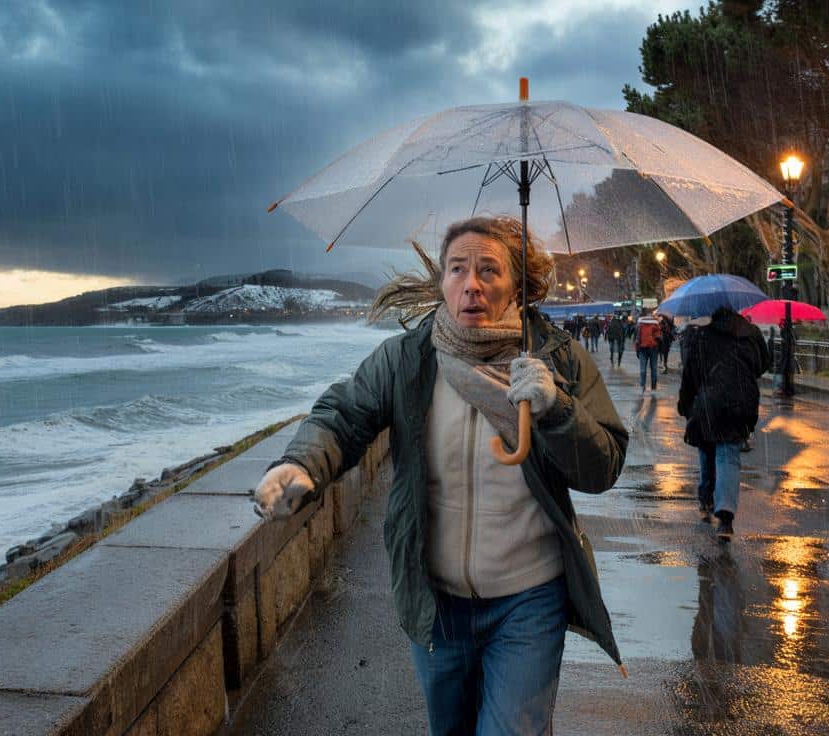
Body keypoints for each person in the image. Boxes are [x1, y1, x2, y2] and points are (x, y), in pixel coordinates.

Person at [252, 215, 629, 735]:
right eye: (457, 269)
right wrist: (300, 463)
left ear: (517, 286)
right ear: (442, 282)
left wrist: (556, 408)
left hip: (530, 599)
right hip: (436, 601)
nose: (471, 284)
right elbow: (344, 415)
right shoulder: (408, 359)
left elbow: (603, 466)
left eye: (489, 270)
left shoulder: (557, 359)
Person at [677, 305, 772, 539]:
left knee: (707, 448)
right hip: (740, 402)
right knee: (728, 456)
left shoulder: (702, 336)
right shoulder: (750, 334)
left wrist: (685, 404)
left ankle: (706, 497)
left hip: (709, 403)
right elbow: (763, 365)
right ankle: (725, 516)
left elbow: (690, 375)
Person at [635, 313, 662, 392]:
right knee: (654, 369)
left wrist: (637, 350)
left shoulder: (640, 325)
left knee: (643, 369)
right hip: (653, 348)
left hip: (642, 349)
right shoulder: (656, 324)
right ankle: (653, 388)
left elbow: (637, 338)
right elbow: (658, 337)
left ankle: (642, 387)